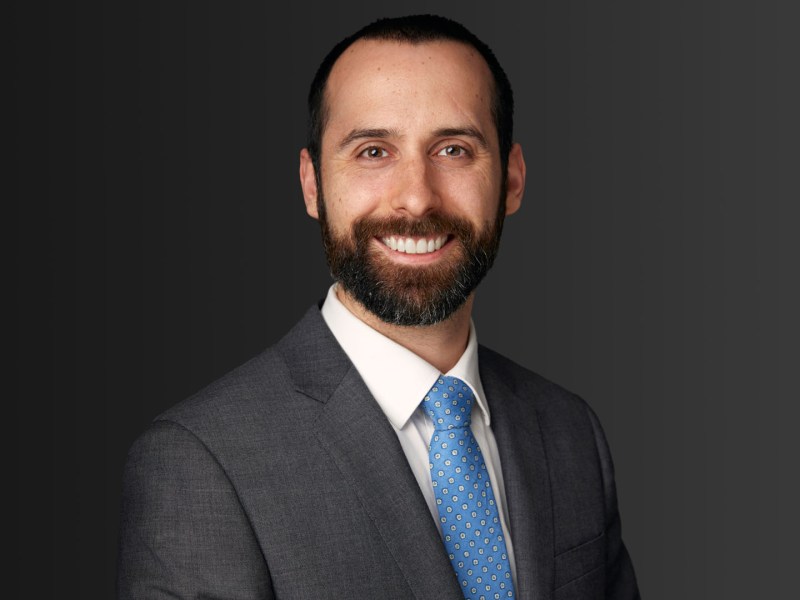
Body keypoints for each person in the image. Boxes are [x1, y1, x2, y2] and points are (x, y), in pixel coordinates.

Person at [117, 14, 640, 600]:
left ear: (512, 179)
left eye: (453, 149)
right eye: (373, 151)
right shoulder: (203, 463)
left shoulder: (570, 432)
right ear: (313, 185)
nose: (416, 196)